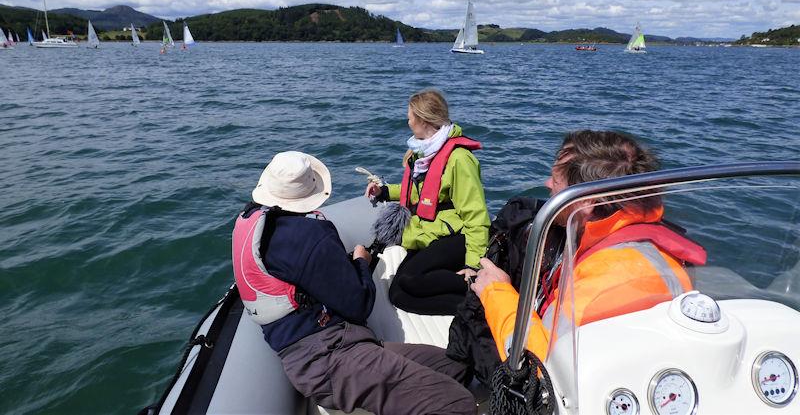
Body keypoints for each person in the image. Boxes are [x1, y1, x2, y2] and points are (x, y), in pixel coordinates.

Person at [232, 151, 475, 415]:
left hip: (333, 347)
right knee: (456, 404)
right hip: (328, 359)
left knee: (455, 367)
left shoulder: (252, 224)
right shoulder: (312, 236)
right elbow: (359, 305)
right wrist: (360, 261)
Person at [472, 130, 706, 361]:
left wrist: (496, 292)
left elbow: (542, 367)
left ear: (585, 202)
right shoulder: (626, 245)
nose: (547, 184)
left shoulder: (611, 281)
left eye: (555, 179)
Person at [366, 89, 490, 315]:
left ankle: (479, 291)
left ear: (422, 119)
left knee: (412, 280)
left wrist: (474, 266)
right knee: (397, 295)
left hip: (457, 236)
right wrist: (384, 191)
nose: (407, 120)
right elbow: (417, 193)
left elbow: (476, 216)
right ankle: (468, 309)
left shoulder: (459, 159)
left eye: (410, 116)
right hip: (428, 233)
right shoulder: (423, 154)